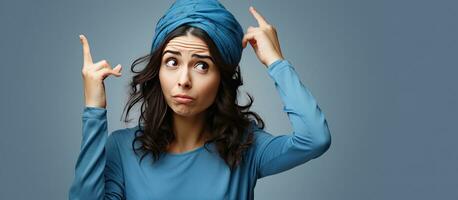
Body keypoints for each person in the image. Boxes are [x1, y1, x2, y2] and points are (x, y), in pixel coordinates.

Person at [69, 0, 331, 199]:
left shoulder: (246, 148)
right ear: (157, 71)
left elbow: (315, 138)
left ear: (222, 78)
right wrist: (94, 109)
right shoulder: (123, 148)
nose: (184, 79)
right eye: (172, 62)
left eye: (202, 66)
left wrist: (276, 62)